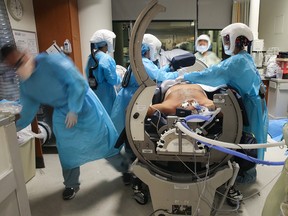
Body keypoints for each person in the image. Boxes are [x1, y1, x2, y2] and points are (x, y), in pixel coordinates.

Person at [0, 43, 120, 200]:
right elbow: (28, 108)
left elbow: (78, 82)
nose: (19, 67)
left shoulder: (52, 62)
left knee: (103, 141)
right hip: (62, 113)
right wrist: (12, 128)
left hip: (83, 104)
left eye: (19, 61)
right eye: (14, 66)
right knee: (66, 149)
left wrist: (74, 109)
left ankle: (125, 170)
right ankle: (71, 184)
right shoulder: (26, 82)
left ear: (25, 53)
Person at [178, 23, 268, 164]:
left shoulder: (236, 62)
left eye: (226, 39)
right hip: (255, 102)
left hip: (250, 105)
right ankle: (246, 166)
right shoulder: (245, 57)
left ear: (234, 39)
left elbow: (212, 73)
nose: (225, 43)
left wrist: (187, 76)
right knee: (252, 137)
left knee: (248, 139)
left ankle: (246, 170)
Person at [85, 29, 121, 115]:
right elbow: (113, 80)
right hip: (106, 96)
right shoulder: (106, 59)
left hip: (94, 93)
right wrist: (120, 76)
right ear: (106, 43)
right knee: (108, 118)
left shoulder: (91, 58)